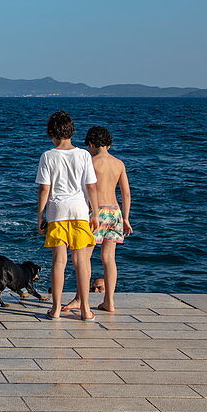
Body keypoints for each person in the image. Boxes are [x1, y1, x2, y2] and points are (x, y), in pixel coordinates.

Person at [36, 111, 99, 321]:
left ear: (52, 133)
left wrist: (40, 216)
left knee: (59, 261)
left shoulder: (48, 156)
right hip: (80, 211)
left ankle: (55, 309)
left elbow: (45, 189)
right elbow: (91, 187)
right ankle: (86, 310)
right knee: (81, 262)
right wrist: (95, 213)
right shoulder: (84, 155)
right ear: (71, 131)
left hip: (57, 212)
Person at [62, 127, 133, 314]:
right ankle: (109, 301)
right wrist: (125, 218)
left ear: (92, 144)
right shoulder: (119, 163)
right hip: (115, 213)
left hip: (95, 212)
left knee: (84, 258)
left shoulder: (90, 162)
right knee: (109, 259)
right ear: (108, 144)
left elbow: (82, 189)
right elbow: (126, 193)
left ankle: (80, 298)